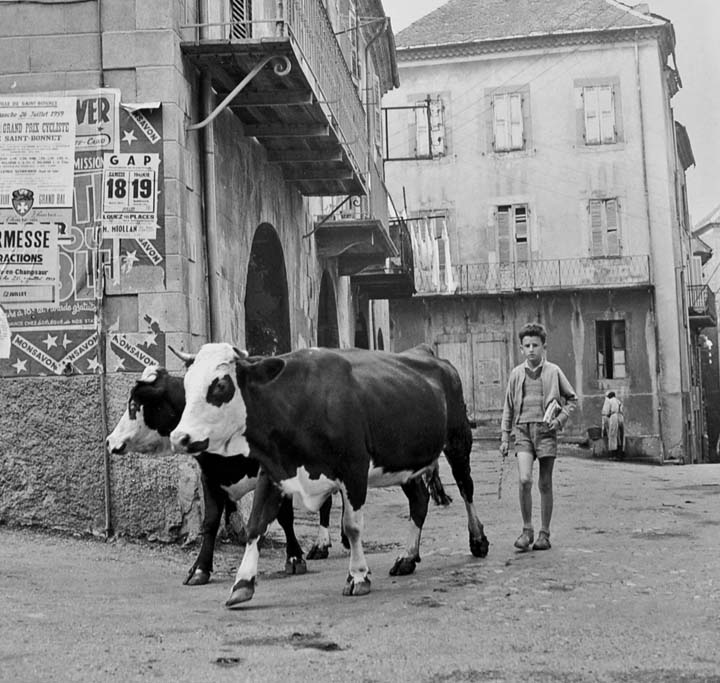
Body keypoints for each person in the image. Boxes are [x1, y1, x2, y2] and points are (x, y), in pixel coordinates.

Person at [499, 322, 578, 551]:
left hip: (546, 432)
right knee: (524, 480)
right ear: (521, 348)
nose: (531, 349)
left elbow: (572, 399)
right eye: (527, 345)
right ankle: (527, 531)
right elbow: (508, 406)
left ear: (544, 346)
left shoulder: (553, 371)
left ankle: (544, 534)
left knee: (545, 483)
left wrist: (559, 420)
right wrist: (505, 437)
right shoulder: (516, 373)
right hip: (522, 430)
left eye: (535, 345)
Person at [602, 391, 625, 460]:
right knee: (620, 436)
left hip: (614, 417)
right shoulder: (618, 401)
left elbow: (607, 412)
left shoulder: (609, 401)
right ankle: (620, 455)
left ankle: (613, 455)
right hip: (620, 417)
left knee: (612, 435)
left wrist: (607, 416)